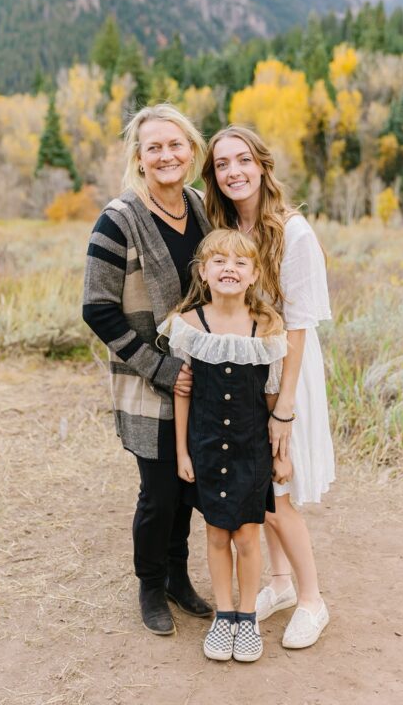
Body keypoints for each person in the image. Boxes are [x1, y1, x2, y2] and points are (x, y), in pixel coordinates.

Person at [82, 104, 214, 636]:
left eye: (175, 145)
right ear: (139, 157)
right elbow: (97, 307)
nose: (166, 155)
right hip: (150, 380)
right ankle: (149, 585)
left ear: (192, 151)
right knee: (158, 493)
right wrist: (160, 367)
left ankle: (179, 579)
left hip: (201, 378)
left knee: (188, 489)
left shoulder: (201, 207)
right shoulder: (118, 219)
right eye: (154, 147)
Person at [202, 125, 335, 649]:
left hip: (287, 372)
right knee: (258, 489)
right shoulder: (230, 227)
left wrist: (283, 408)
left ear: (261, 164)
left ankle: (311, 600)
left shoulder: (292, 231)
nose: (233, 171)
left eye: (242, 160)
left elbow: (299, 326)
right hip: (247, 370)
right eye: (221, 164)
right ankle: (277, 586)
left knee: (276, 492)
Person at [159, 229, 289, 662]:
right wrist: (181, 452)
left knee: (249, 536)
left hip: (251, 448)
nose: (229, 269)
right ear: (203, 271)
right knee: (216, 534)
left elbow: (272, 399)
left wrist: (279, 454)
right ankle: (225, 615)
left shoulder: (267, 327)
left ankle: (248, 617)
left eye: (239, 263)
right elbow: (183, 392)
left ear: (253, 274)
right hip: (207, 446)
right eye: (219, 261)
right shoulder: (191, 325)